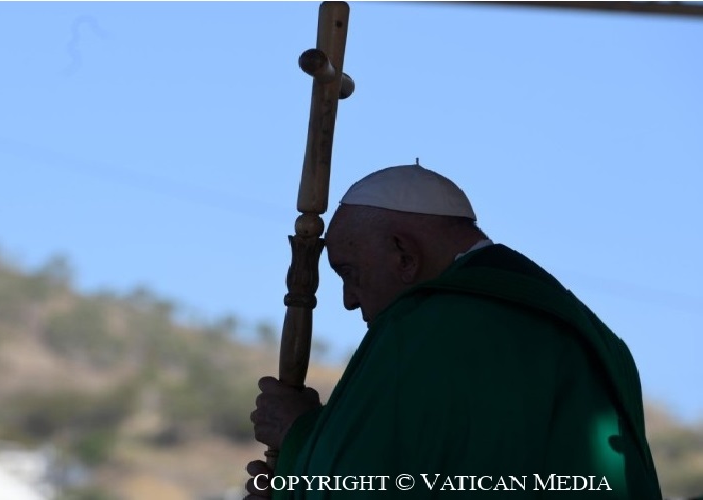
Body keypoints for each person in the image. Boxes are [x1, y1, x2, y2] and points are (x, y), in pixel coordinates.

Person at [246, 164, 662, 499]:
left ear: (404, 254)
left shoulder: (427, 328)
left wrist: (298, 436)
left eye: (349, 273)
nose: (350, 300)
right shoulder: (598, 340)